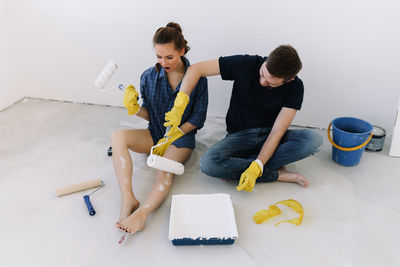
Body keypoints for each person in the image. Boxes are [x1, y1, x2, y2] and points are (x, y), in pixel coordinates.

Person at [164, 45, 322, 192]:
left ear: (289, 80)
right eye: (262, 74)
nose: (262, 82)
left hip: (270, 135)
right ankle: (276, 174)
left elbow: (277, 132)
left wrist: (258, 165)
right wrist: (180, 102)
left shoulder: (295, 87)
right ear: (266, 61)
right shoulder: (247, 64)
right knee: (209, 163)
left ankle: (242, 165)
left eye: (270, 83)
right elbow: (196, 69)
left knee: (313, 140)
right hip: (239, 136)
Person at [111, 22, 208, 234]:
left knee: (164, 168)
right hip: (154, 134)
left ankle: (142, 214)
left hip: (180, 139)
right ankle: (128, 198)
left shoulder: (198, 78)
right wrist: (134, 108)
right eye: (158, 57)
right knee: (118, 136)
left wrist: (175, 133)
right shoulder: (148, 76)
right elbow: (149, 114)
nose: (163, 62)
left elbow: (198, 119)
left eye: (169, 57)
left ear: (181, 51)